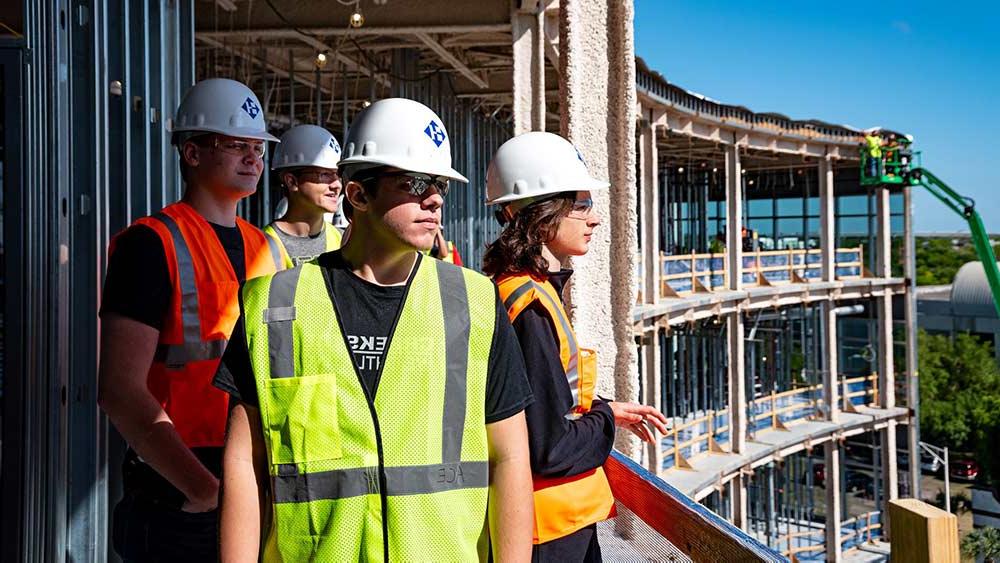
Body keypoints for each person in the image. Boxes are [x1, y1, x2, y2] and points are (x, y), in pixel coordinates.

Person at [214, 98, 535, 562]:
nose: (436, 198)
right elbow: (246, 462)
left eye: (440, 184)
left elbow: (509, 459)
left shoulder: (474, 303)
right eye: (416, 183)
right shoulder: (275, 306)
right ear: (358, 195)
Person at [97, 78, 282, 562]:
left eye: (258, 147)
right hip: (183, 490)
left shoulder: (265, 247)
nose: (253, 158)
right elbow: (119, 390)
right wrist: (202, 489)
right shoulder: (150, 244)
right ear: (192, 152)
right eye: (236, 144)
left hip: (250, 477)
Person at [482, 131, 669, 562]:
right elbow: (549, 446)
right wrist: (604, 418)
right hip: (547, 530)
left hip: (545, 525)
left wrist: (603, 406)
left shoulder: (519, 291)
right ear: (541, 213)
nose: (594, 218)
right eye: (581, 204)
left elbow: (542, 400)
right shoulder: (529, 306)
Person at [264, 124, 345, 267]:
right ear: (292, 181)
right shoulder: (262, 245)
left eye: (338, 175)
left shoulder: (343, 239)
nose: (336, 185)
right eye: (325, 174)